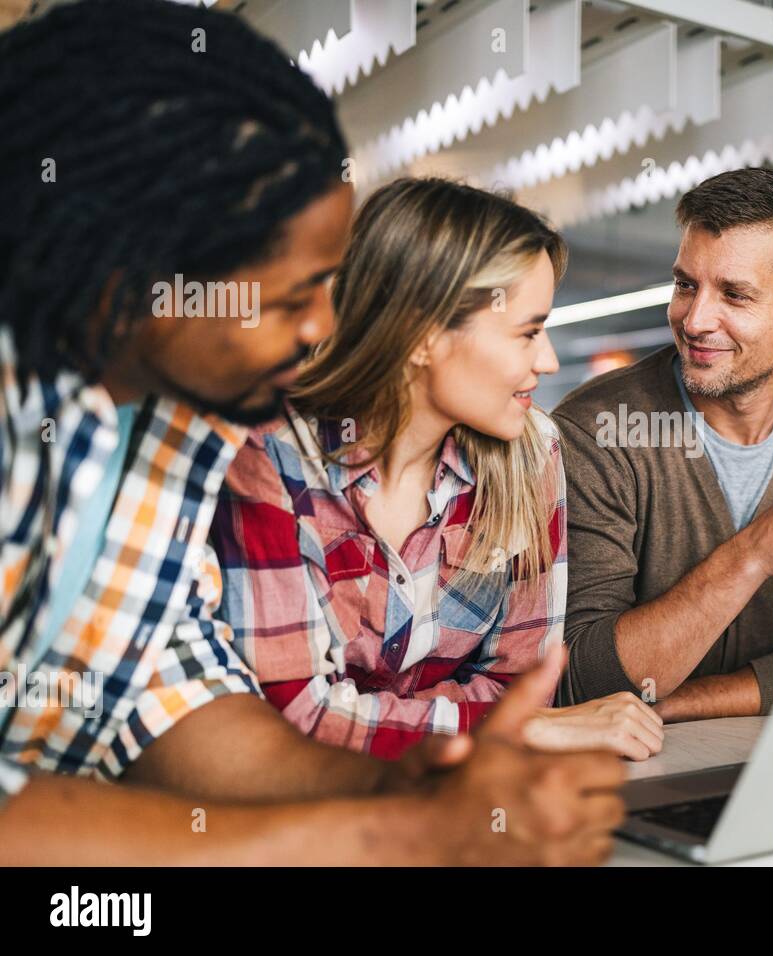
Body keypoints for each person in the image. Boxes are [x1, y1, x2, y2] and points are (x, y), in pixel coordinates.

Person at [0, 0, 623, 866]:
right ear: (135, 276)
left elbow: (172, 693)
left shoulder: (183, 431)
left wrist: (412, 787)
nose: (326, 325)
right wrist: (391, 833)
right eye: (294, 297)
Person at [213, 177, 664, 761]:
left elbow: (521, 687)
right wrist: (507, 729)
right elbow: (293, 715)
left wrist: (460, 724)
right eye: (528, 331)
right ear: (424, 335)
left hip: (457, 801)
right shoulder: (270, 457)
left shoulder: (531, 454)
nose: (548, 360)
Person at [554, 167, 773, 720]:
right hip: (615, 776)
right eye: (685, 285)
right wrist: (756, 553)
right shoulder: (597, 430)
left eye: (735, 294)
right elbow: (584, 678)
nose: (695, 319)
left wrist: (677, 704)